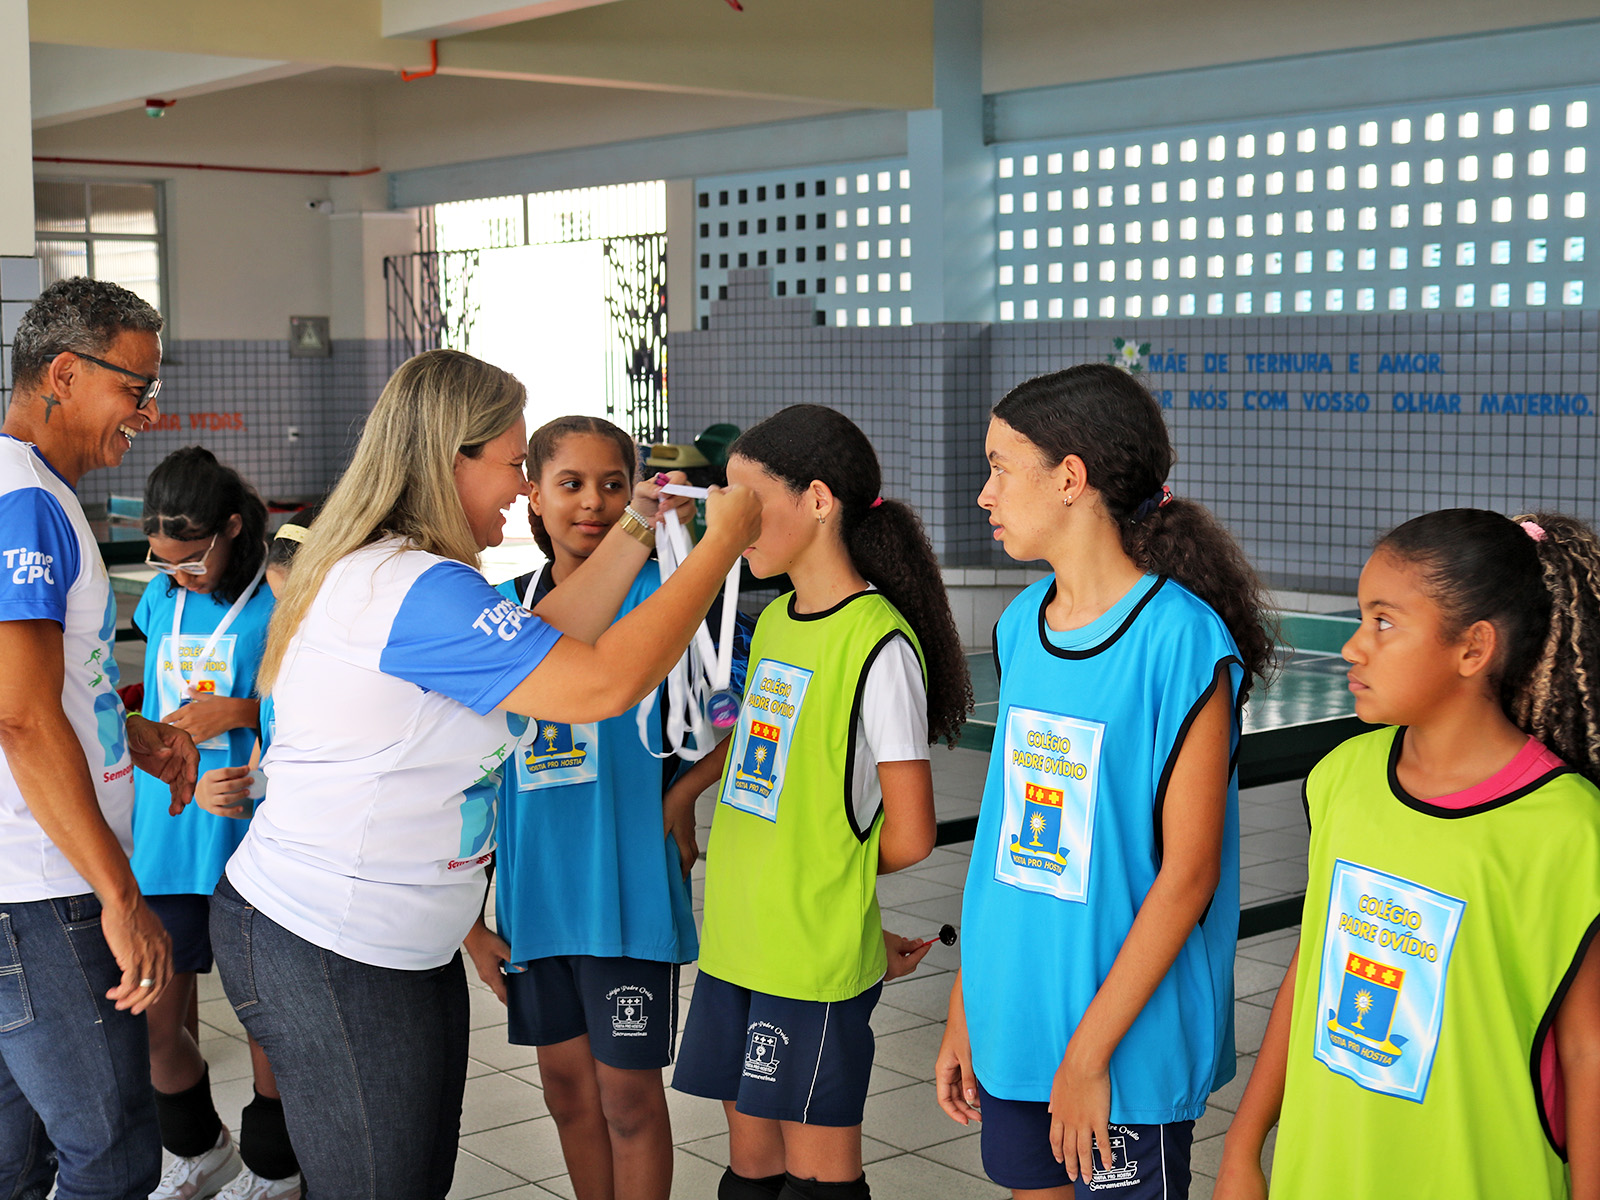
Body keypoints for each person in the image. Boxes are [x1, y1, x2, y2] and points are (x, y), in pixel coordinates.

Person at [207, 349, 761, 1200]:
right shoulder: (412, 586)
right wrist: (717, 549)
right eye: (512, 463)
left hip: (385, 943)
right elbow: (599, 683)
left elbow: (549, 634)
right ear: (449, 460)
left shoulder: (412, 575)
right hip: (332, 943)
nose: (520, 486)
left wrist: (639, 530)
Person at [936, 364, 1275, 1199]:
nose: (985, 494)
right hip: (1018, 1020)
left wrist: (1089, 1058)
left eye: (999, 468)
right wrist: (968, 1004)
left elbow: (1189, 874)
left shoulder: (1182, 641)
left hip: (1124, 1044)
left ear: (1070, 478)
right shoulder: (1022, 625)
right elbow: (1005, 842)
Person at [1216, 509, 1600, 1200]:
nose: (1354, 646)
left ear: (1473, 648)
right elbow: (1313, 969)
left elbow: (1585, 1050)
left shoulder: (1569, 828)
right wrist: (1244, 1145)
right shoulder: (1342, 777)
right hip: (1325, 1170)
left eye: (1384, 622)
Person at [672, 403, 973, 1200]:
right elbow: (774, 778)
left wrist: (836, 903)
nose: (732, 523)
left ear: (816, 500)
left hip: (807, 958)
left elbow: (910, 834)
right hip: (737, 938)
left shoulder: (878, 643)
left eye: (748, 503)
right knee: (751, 1170)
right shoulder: (775, 619)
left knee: (817, 1180)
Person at [464, 415, 748, 1200]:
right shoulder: (501, 610)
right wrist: (470, 923)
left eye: (613, 484)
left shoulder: (671, 594)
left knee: (628, 1099)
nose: (593, 502)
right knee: (566, 1093)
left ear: (639, 497)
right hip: (534, 899)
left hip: (626, 891)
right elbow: (458, 770)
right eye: (571, 483)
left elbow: (745, 717)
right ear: (533, 496)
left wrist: (682, 797)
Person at [0, 276, 198, 1198]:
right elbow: (21, 715)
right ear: (66, 375)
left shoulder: (24, 492)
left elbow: (41, 691)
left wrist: (128, 730)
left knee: (16, 1161)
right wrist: (119, 895)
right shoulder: (26, 502)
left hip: (20, 887)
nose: (148, 414)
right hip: (45, 891)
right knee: (110, 1160)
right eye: (135, 388)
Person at [133, 454, 300, 1200]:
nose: (179, 574)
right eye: (163, 560)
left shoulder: (278, 601)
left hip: (249, 834)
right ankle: (199, 1149)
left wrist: (240, 712)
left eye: (192, 559)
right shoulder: (159, 600)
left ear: (232, 528)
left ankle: (274, 1165)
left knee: (265, 1019)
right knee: (155, 1020)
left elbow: (316, 706)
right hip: (166, 838)